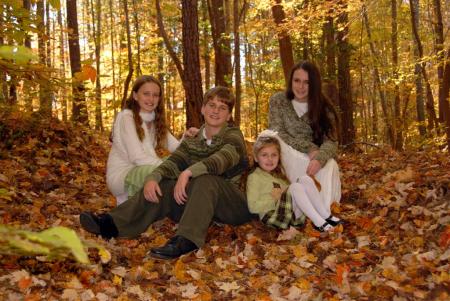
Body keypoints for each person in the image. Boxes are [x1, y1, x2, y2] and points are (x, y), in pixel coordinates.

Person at [80, 86, 253, 259]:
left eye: (222, 108)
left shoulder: (233, 136)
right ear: (202, 108)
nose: (216, 111)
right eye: (211, 105)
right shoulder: (193, 140)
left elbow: (221, 160)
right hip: (200, 206)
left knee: (205, 179)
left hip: (232, 206)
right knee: (163, 183)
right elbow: (173, 162)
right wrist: (153, 178)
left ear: (229, 115)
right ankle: (111, 225)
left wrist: (187, 173)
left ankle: (186, 240)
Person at [107, 75, 193, 205]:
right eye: (146, 94)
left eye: (155, 95)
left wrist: (186, 138)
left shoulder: (154, 121)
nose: (151, 99)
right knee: (167, 171)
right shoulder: (126, 117)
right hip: (123, 174)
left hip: (145, 169)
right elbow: (137, 157)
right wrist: (169, 168)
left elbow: (176, 148)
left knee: (182, 163)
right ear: (135, 95)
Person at [269, 61, 341, 210]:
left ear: (314, 84)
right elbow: (278, 132)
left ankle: (323, 214)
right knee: (268, 135)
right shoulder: (278, 101)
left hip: (310, 162)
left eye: (306, 82)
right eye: (297, 81)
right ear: (291, 81)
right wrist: (308, 147)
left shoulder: (324, 108)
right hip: (285, 156)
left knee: (331, 164)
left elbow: (332, 141)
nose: (300, 87)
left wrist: (320, 159)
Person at [246, 133, 341, 232]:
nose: (270, 159)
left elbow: (292, 196)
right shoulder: (254, 177)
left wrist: (284, 193)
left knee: (305, 179)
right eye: (264, 155)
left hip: (291, 217)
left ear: (279, 157)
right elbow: (252, 207)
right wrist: (275, 199)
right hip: (273, 218)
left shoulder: (279, 176)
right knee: (295, 186)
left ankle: (325, 215)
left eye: (274, 155)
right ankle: (319, 223)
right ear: (256, 158)